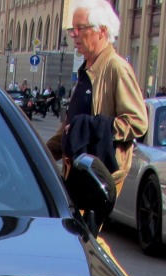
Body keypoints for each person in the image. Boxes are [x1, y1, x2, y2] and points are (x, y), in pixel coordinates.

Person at [47, 0, 148, 194]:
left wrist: (90, 127)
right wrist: (38, 155)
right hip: (77, 173)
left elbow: (137, 122)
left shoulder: (116, 68)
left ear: (102, 31)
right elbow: (70, 126)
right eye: (72, 29)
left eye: (80, 28)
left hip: (98, 177)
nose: (74, 35)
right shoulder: (88, 69)